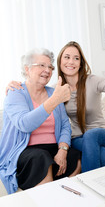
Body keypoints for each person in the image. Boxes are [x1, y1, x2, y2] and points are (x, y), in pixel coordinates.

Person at [6, 41, 105, 173]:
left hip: (101, 134)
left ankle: (90, 185)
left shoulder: (93, 81)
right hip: (77, 138)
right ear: (59, 62)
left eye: (76, 58)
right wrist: (14, 85)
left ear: (81, 63)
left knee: (91, 136)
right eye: (67, 57)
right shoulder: (56, 90)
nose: (71, 62)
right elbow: (34, 87)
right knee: (102, 155)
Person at [0, 48, 81, 194]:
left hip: (53, 148)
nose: (48, 70)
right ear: (27, 69)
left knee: (75, 155)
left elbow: (64, 125)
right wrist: (55, 100)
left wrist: (62, 150)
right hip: (25, 152)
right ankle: (50, 199)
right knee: (41, 158)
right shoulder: (15, 93)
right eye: (42, 65)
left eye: (50, 67)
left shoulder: (52, 92)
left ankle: (67, 199)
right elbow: (24, 124)